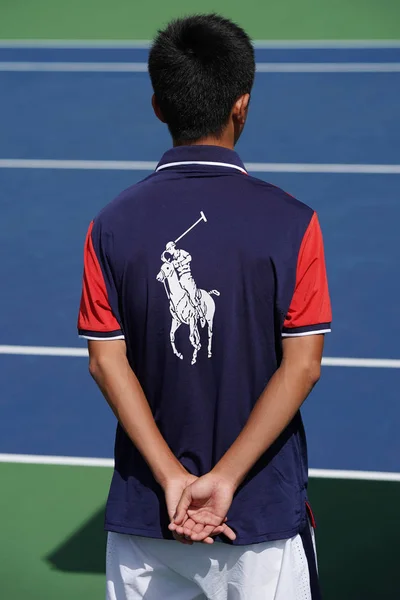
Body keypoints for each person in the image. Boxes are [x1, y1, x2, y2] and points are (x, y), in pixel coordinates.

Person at [78, 13, 332, 600]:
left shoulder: (109, 226)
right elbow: (304, 366)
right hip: (258, 519)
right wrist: (222, 480)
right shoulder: (295, 224)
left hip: (148, 516)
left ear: (158, 106)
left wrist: (171, 478)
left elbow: (104, 362)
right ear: (241, 105)